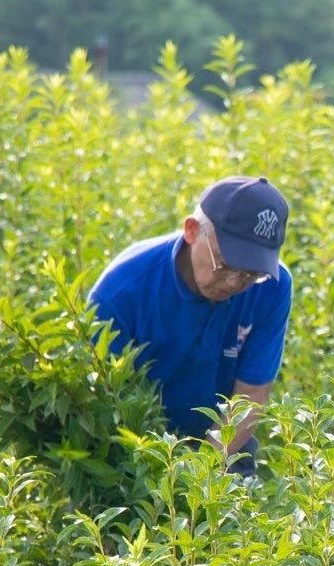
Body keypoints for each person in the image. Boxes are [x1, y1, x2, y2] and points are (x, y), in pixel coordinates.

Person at [90, 176, 292, 477]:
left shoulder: (271, 287)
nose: (236, 284)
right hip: (134, 445)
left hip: (223, 437)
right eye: (225, 266)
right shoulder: (121, 292)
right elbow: (103, 409)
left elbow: (249, 398)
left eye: (251, 273)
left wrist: (198, 476)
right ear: (192, 231)